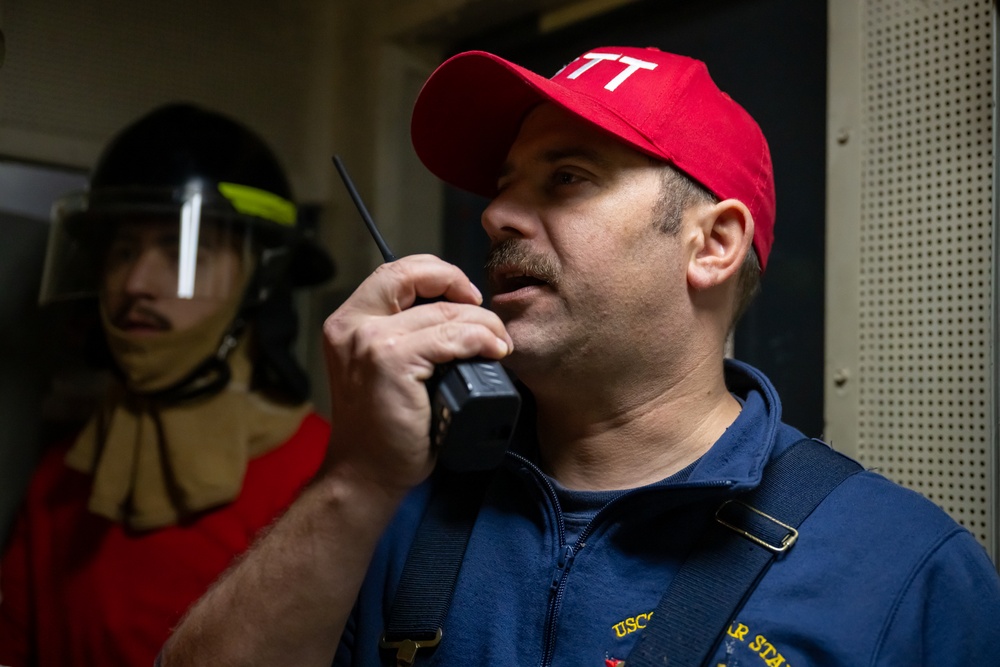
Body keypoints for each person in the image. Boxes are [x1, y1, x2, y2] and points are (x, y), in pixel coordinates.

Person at [159, 47, 1000, 666]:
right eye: (502, 184)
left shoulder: (905, 572)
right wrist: (353, 478)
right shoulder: (390, 509)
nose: (495, 216)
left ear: (712, 243)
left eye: (566, 177)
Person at [0, 103, 335, 666]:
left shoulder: (333, 474)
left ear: (259, 284)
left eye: (185, 254)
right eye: (123, 252)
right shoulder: (63, 476)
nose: (135, 284)